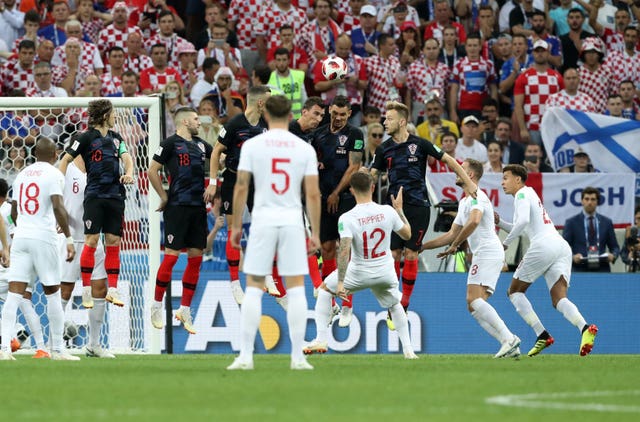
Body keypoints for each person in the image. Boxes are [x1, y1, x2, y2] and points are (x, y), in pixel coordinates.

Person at [226, 95, 321, 371]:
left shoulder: (254, 145)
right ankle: (298, 357)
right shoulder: (304, 148)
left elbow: (241, 187)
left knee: (254, 288)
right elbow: (312, 194)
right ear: (290, 114)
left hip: (263, 221)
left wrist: (235, 227)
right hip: (292, 221)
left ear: (266, 115)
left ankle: (245, 356)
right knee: (295, 288)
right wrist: (313, 232)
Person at [370, 101, 477, 315]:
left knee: (411, 254)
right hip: (394, 209)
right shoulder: (384, 149)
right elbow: (371, 176)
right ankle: (393, 303)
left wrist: (468, 182)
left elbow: (450, 161)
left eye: (389, 118)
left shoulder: (420, 144)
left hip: (418, 206)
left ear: (402, 121)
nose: (384, 122)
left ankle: (405, 303)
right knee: (393, 254)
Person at [303, 171, 417, 359]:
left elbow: (345, 250)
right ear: (373, 188)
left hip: (359, 272)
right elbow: (407, 235)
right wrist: (399, 210)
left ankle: (321, 339)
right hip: (385, 273)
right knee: (395, 304)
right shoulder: (387, 211)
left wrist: (340, 283)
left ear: (352, 191)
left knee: (323, 290)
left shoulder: (347, 217)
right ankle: (409, 351)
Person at [421, 159, 520, 359]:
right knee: (472, 304)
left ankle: (509, 338)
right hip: (482, 252)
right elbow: (450, 234)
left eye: (462, 169)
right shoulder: (464, 201)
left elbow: (474, 221)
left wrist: (456, 244)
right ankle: (509, 344)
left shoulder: (478, 196)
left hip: (488, 251)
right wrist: (422, 246)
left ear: (471, 175)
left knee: (474, 299)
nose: (457, 172)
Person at [498, 164, 598, 357]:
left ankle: (541, 334)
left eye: (505, 178)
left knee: (514, 292)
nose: (502, 183)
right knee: (559, 299)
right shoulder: (529, 194)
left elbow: (522, 223)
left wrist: (505, 244)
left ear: (517, 179)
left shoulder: (520, 195)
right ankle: (585, 328)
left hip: (543, 246)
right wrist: (499, 222)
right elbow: (521, 226)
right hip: (560, 246)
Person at [0, 137, 77, 361]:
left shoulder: (23, 174)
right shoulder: (54, 174)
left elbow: (13, 210)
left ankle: (5, 349)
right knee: (53, 292)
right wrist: (69, 238)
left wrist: (21, 226)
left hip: (21, 237)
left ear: (34, 155)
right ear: (55, 155)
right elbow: (57, 205)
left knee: (15, 294)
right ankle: (58, 350)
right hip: (44, 237)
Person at [59, 99, 135, 308]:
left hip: (115, 197)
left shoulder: (116, 138)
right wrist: (58, 185)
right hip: (94, 196)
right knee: (91, 240)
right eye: (113, 113)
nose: (115, 117)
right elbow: (65, 160)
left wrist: (128, 173)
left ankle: (112, 289)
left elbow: (127, 158)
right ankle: (85, 290)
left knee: (113, 242)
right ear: (104, 116)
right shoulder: (85, 138)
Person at [204, 86, 271, 304]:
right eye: (268, 101)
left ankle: (266, 275)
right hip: (234, 181)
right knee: (235, 230)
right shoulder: (234, 124)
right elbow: (216, 152)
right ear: (260, 103)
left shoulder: (265, 126)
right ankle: (234, 283)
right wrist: (213, 182)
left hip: (257, 182)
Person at [149, 107, 213, 334]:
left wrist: (214, 182)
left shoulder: (202, 145)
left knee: (196, 260)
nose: (199, 122)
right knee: (172, 257)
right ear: (185, 121)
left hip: (198, 208)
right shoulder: (169, 144)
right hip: (177, 206)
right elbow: (152, 170)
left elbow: (218, 158)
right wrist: (164, 196)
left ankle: (184, 309)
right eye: (196, 119)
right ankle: (156, 305)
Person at [310, 95, 365, 326]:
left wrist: (336, 193)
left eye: (343, 115)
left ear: (349, 114)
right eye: (335, 114)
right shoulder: (319, 134)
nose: (339, 118)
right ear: (329, 111)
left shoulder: (355, 135)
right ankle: (331, 303)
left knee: (345, 250)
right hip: (322, 197)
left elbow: (355, 166)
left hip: (343, 199)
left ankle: (347, 306)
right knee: (326, 249)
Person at [57, 148, 114, 358]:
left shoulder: (98, 170)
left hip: (93, 238)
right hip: (70, 238)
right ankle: (55, 345)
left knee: (100, 288)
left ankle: (94, 344)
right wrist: (57, 221)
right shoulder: (66, 168)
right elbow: (54, 197)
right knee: (65, 290)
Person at [562, 187, 619, 272]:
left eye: (593, 199)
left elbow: (615, 247)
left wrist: (613, 256)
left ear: (597, 202)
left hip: (602, 269)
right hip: (579, 269)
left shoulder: (606, 222)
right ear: (582, 201)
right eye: (586, 199)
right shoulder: (571, 222)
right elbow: (563, 248)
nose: (589, 202)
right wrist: (573, 257)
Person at [620, 206, 640, 272]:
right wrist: (629, 259)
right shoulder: (631, 233)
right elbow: (623, 253)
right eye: (636, 219)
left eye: (639, 219)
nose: (637, 222)